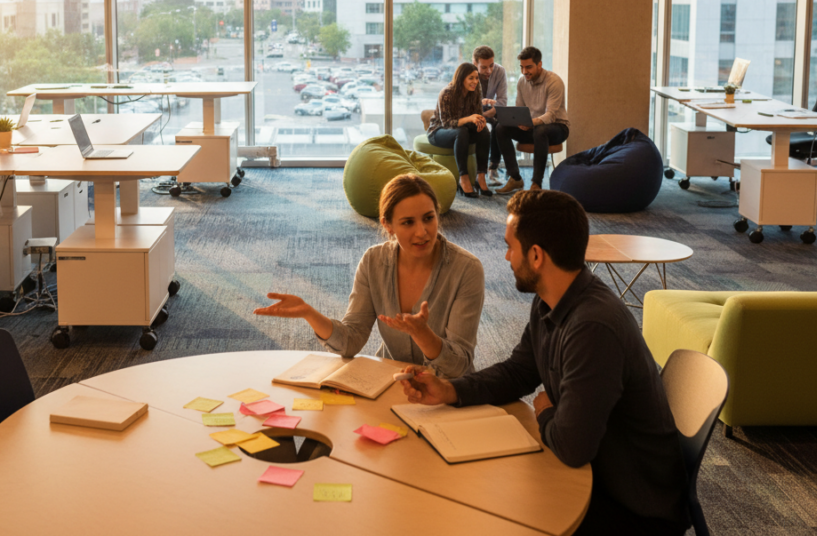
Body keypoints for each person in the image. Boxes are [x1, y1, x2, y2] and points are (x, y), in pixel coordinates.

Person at [398, 190, 688, 536]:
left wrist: (545, 410)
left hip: (631, 505)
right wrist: (448, 390)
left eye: (510, 246)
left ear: (536, 256)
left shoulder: (592, 328)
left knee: (489, 513)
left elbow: (572, 446)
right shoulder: (551, 300)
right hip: (597, 473)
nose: (506, 257)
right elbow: (518, 371)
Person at [254, 174, 484, 378]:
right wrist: (310, 314)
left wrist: (423, 334)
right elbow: (351, 341)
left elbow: (459, 366)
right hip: (391, 382)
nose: (422, 232)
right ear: (388, 225)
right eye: (407, 222)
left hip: (448, 392)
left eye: (428, 218)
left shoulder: (466, 269)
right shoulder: (374, 261)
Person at [496, 46, 568, 193]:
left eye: (528, 67)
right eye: (522, 67)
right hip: (533, 127)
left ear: (539, 64)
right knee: (500, 128)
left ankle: (536, 183)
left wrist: (531, 123)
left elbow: (551, 115)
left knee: (541, 131)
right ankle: (515, 178)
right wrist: (515, 120)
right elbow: (519, 110)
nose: (524, 72)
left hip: (557, 127)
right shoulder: (522, 82)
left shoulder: (554, 82)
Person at [427, 62, 493, 197]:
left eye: (476, 78)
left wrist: (480, 121)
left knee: (485, 131)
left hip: (463, 131)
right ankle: (464, 178)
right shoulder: (447, 93)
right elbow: (446, 123)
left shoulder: (475, 90)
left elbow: (477, 115)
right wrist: (469, 118)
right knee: (461, 132)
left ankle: (481, 177)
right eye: (471, 78)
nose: (475, 81)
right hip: (438, 131)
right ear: (461, 78)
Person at [473, 45, 509, 183]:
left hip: (491, 108)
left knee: (500, 124)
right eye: (483, 67)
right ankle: (477, 168)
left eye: (491, 65)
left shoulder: (499, 71)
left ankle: (493, 167)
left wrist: (490, 112)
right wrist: (479, 113)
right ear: (475, 63)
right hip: (472, 110)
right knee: (479, 128)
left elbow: (502, 101)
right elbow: (463, 102)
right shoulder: (467, 73)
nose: (489, 70)